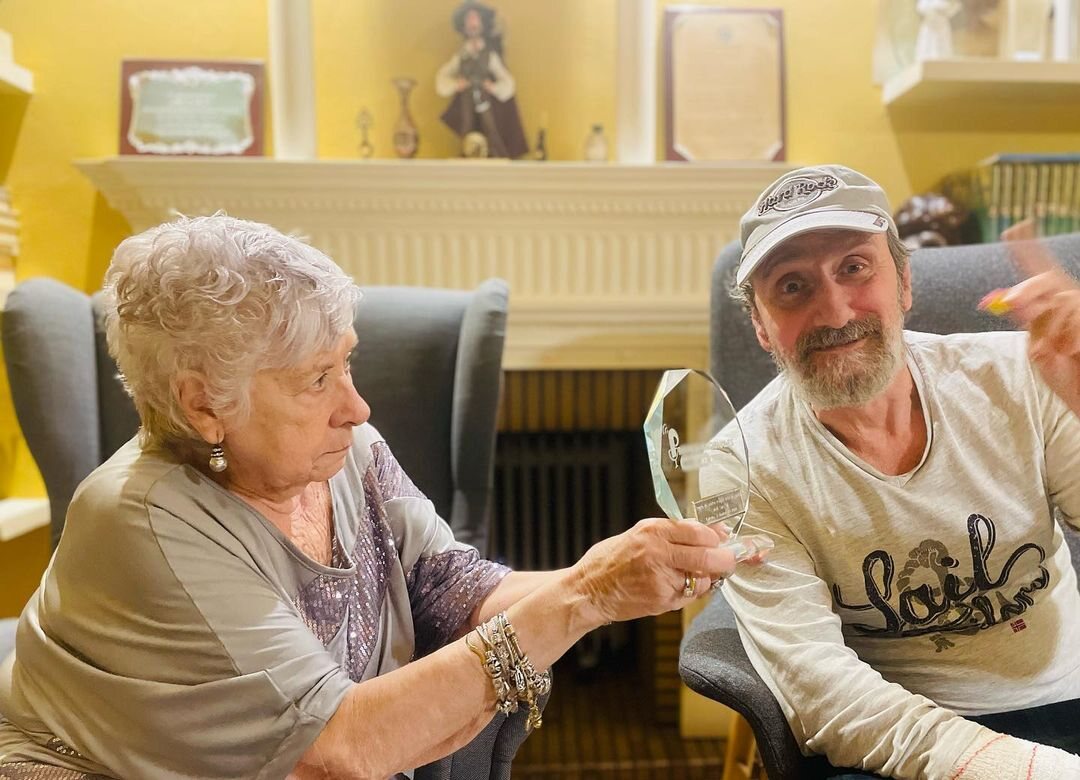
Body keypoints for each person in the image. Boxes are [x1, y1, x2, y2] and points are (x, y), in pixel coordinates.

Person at [0, 214, 747, 779]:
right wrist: (586, 595)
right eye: (317, 379)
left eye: (346, 363)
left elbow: (450, 584)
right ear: (204, 407)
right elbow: (342, 745)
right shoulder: (145, 521)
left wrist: (623, 579)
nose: (356, 407)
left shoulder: (342, 451)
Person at [700, 165, 1080, 779]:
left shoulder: (1023, 375)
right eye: (792, 286)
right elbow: (823, 693)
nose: (834, 310)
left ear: (903, 282)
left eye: (855, 267)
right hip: (898, 740)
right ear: (761, 327)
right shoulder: (740, 467)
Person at [435, 1, 528, 159]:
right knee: (466, 127)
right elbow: (443, 76)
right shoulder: (462, 54)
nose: (472, 23)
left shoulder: (489, 54)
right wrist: (456, 85)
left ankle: (497, 154)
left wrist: (493, 87)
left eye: (475, 19)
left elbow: (506, 80)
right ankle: (467, 154)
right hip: (466, 99)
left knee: (490, 127)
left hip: (485, 100)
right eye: (469, 20)